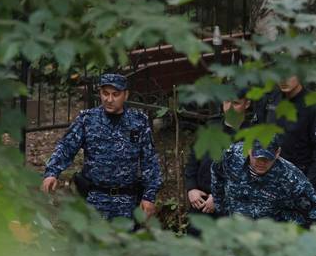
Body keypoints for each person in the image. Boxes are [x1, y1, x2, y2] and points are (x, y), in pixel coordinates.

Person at [42, 73, 162, 220]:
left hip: (127, 202)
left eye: (115, 94)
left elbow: (149, 161)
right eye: (105, 94)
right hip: (94, 200)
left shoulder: (138, 122)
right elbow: (66, 147)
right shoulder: (87, 119)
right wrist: (52, 173)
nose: (109, 99)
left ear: (125, 95)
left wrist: (149, 196)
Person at [211, 137, 316, 227]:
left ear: (277, 153)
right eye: (257, 157)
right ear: (248, 149)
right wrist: (222, 209)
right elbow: (216, 173)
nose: (261, 163)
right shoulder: (231, 156)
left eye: (267, 158)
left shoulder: (291, 179)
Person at [184, 95, 251, 234]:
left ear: (247, 104)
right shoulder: (210, 126)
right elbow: (193, 160)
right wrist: (191, 188)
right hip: (201, 202)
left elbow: (251, 175)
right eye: (227, 101)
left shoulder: (252, 134)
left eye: (236, 103)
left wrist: (220, 197)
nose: (230, 107)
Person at [252, 76, 316, 190]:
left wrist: (307, 187)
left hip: (299, 178)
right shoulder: (269, 99)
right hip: (268, 178)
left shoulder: (315, 105)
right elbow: (255, 139)